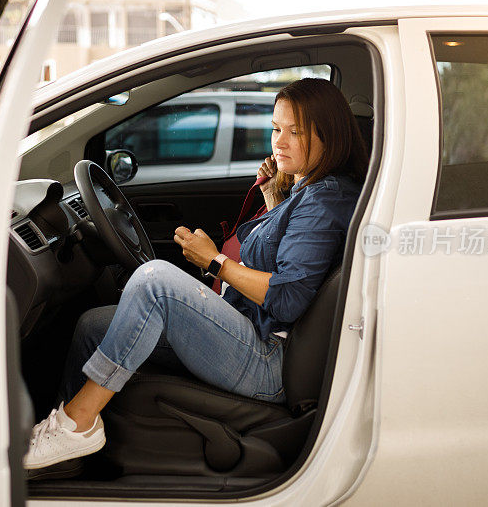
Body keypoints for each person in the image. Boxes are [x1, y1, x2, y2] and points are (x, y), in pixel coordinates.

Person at [23, 77, 369, 471]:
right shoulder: (309, 188)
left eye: (297, 132)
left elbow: (288, 298)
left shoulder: (325, 199)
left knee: (155, 282)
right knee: (93, 325)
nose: (281, 142)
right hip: (250, 324)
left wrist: (214, 262)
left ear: (331, 136)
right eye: (276, 129)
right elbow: (279, 254)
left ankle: (77, 424)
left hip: (270, 358)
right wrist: (273, 196)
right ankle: (63, 455)